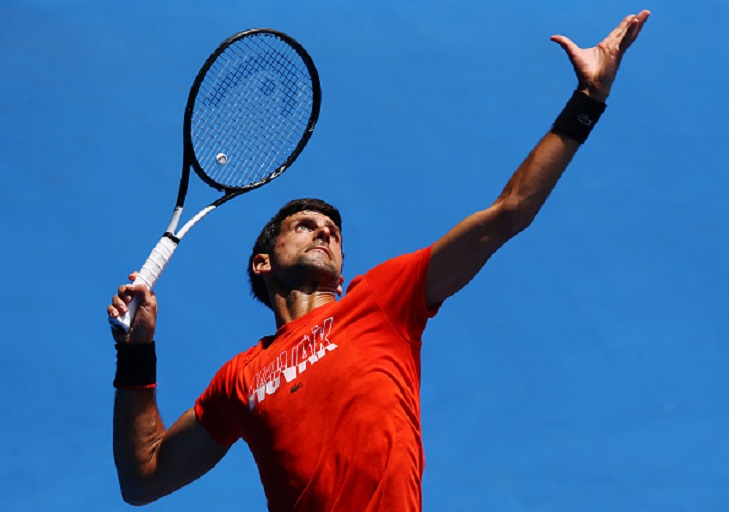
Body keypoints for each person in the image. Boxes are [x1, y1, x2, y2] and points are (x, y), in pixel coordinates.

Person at [108, 10, 650, 511]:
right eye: (304, 225)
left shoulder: (382, 299)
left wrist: (588, 99)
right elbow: (143, 478)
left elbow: (508, 213)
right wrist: (137, 351)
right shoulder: (240, 379)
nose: (324, 230)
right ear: (263, 263)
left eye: (333, 232)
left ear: (342, 272)